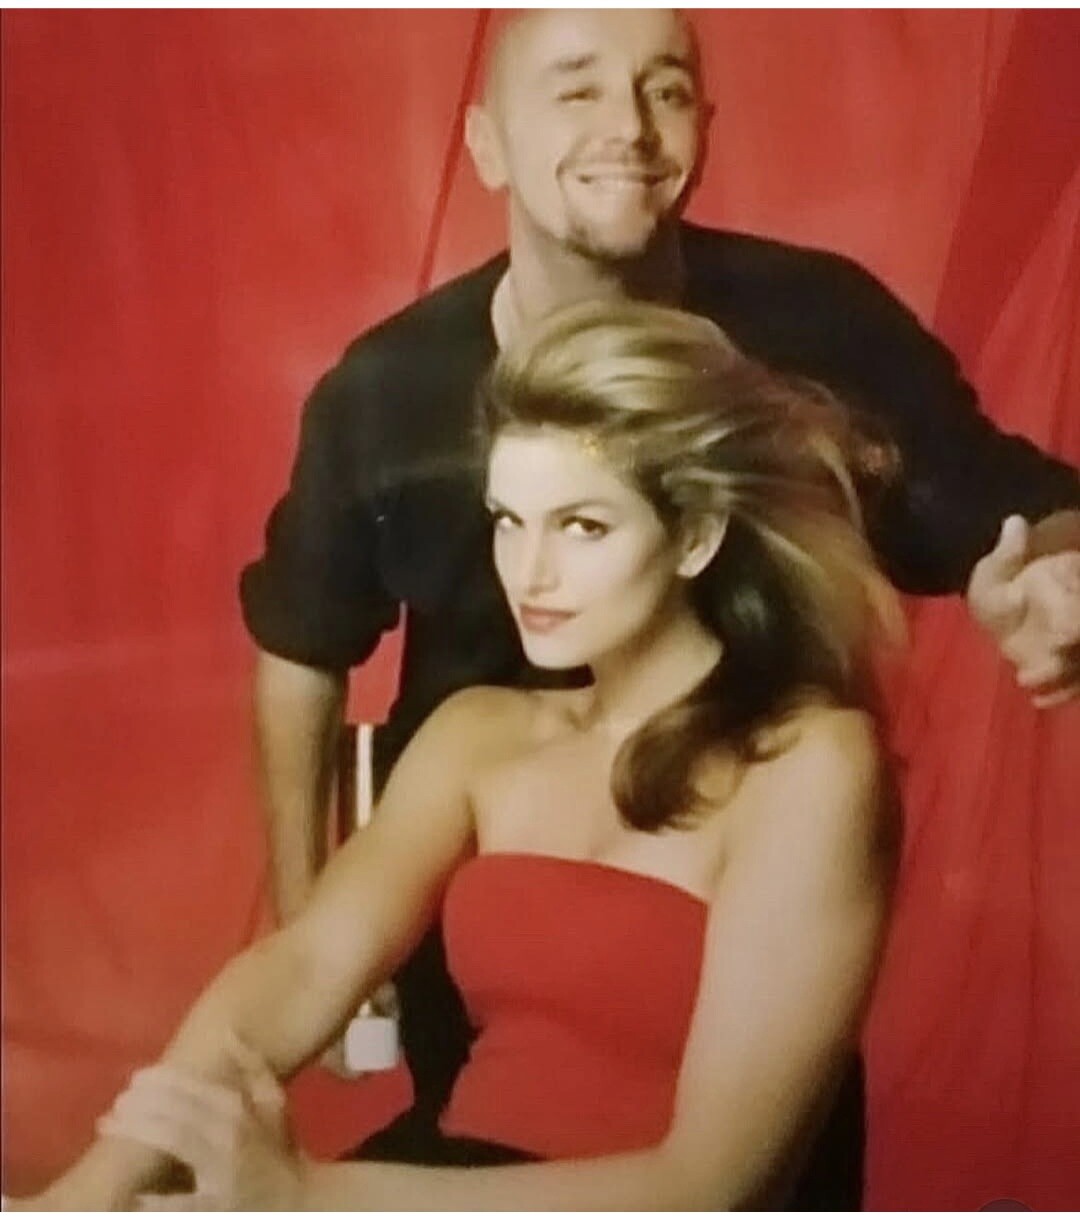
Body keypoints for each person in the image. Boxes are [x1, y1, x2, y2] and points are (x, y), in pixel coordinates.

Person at [240, 6, 1079, 1123]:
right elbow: (301, 647)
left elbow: (1013, 510)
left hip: (745, 904)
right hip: (476, 907)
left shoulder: (823, 325)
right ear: (486, 143)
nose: (629, 126)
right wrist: (316, 917)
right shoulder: (384, 391)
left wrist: (1052, 576)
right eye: (577, 87)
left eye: (667, 88)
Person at [28, 301, 905, 1209]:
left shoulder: (809, 763)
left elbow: (710, 1184)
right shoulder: (480, 733)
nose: (529, 571)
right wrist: (87, 1194)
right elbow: (307, 964)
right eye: (508, 520)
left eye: (583, 526)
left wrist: (313, 1199)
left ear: (695, 535)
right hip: (442, 1180)